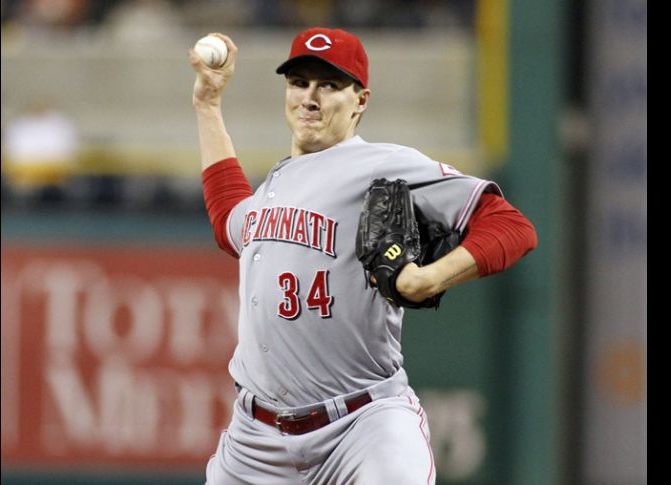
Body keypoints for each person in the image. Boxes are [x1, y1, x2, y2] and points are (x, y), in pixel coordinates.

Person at [188, 27, 537, 485]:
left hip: (362, 426)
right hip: (256, 441)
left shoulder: (383, 165)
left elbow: (512, 226)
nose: (309, 97)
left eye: (329, 85)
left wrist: (430, 278)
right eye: (299, 82)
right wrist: (208, 105)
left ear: (361, 100)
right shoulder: (274, 183)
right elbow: (229, 219)